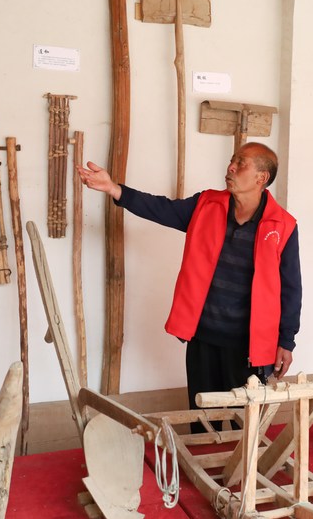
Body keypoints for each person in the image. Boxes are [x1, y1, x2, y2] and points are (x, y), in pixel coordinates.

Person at [78, 142, 301, 416]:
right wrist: (115, 189)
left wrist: (286, 341)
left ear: (261, 177)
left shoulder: (283, 225)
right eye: (232, 160)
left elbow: (291, 289)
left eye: (240, 163)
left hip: (249, 344)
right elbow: (161, 208)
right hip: (203, 336)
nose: (231, 167)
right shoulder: (207, 205)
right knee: (202, 415)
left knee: (245, 420)